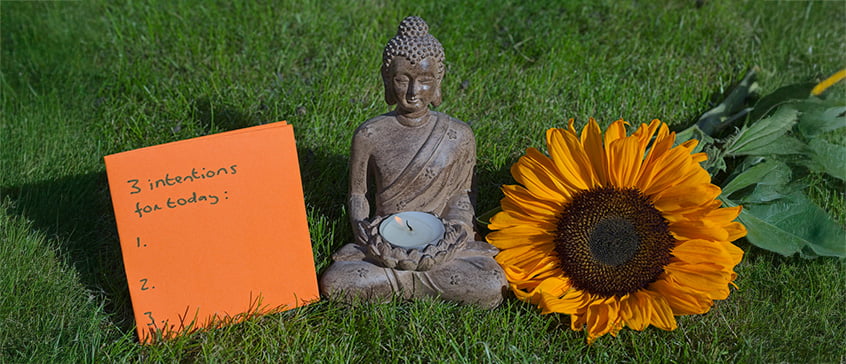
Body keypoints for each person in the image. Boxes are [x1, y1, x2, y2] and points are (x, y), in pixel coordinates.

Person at [319, 16, 506, 308]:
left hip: (442, 245)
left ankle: (398, 285)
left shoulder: (458, 135)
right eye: (402, 80)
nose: (412, 92)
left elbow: (462, 196)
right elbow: (358, 195)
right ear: (386, 79)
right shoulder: (370, 134)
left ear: (438, 81)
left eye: (424, 81)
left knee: (493, 283)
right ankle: (421, 284)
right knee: (338, 280)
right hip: (384, 244)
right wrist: (362, 230)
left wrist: (456, 231)